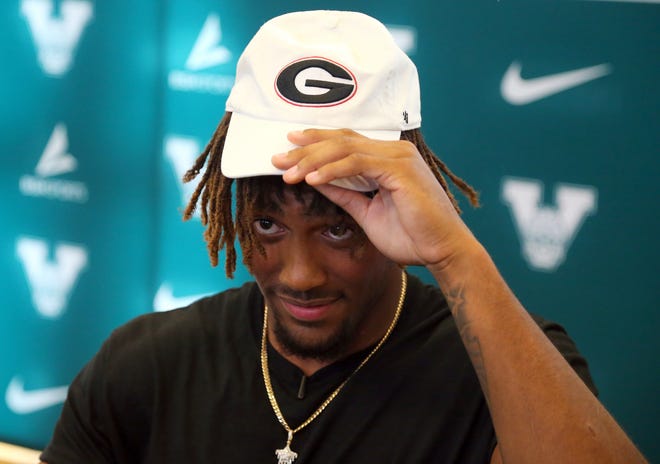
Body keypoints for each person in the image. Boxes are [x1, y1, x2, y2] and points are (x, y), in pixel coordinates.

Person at [40, 10, 647, 464]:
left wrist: (457, 256)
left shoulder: (498, 371)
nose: (299, 274)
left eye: (339, 228)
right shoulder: (144, 365)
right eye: (268, 224)